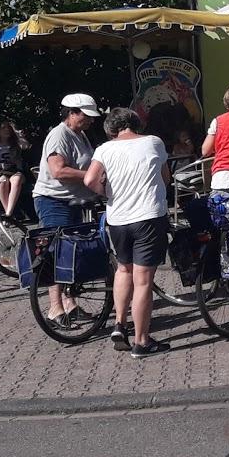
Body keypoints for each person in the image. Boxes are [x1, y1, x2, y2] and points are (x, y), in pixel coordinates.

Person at [84, 108, 171, 358]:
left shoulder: (104, 149)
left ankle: (119, 324)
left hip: (118, 219)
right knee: (143, 280)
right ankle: (141, 342)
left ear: (112, 129)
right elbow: (165, 178)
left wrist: (108, 194)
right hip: (148, 216)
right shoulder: (154, 142)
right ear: (136, 124)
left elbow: (90, 180)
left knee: (124, 269)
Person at [33, 93, 101, 326]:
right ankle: (54, 308)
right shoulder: (59, 135)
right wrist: (90, 176)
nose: (90, 121)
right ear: (72, 113)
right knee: (57, 251)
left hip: (73, 202)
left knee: (71, 254)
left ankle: (70, 304)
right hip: (54, 201)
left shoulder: (80, 135)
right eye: (86, 116)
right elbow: (58, 171)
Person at [0, 119, 30, 219]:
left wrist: (18, 134)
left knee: (16, 180)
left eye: (8, 128)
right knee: (2, 181)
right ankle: (9, 215)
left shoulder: (15, 143)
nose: (7, 130)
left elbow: (26, 146)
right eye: (3, 128)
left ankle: (8, 214)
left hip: (14, 171)